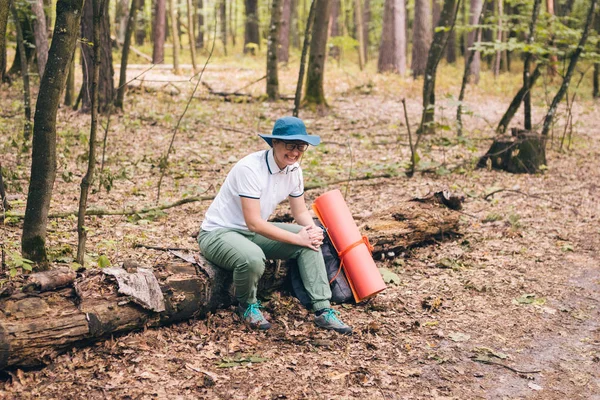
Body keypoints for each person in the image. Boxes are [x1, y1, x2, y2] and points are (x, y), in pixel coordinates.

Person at [198, 116, 352, 334]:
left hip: (252, 232)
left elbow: (299, 211)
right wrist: (298, 237)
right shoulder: (250, 168)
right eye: (290, 145)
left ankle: (323, 309)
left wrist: (312, 230)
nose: (295, 152)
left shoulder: (294, 170)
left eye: (301, 147)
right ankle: (247, 305)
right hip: (218, 233)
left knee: (309, 240)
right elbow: (253, 222)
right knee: (252, 258)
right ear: (275, 143)